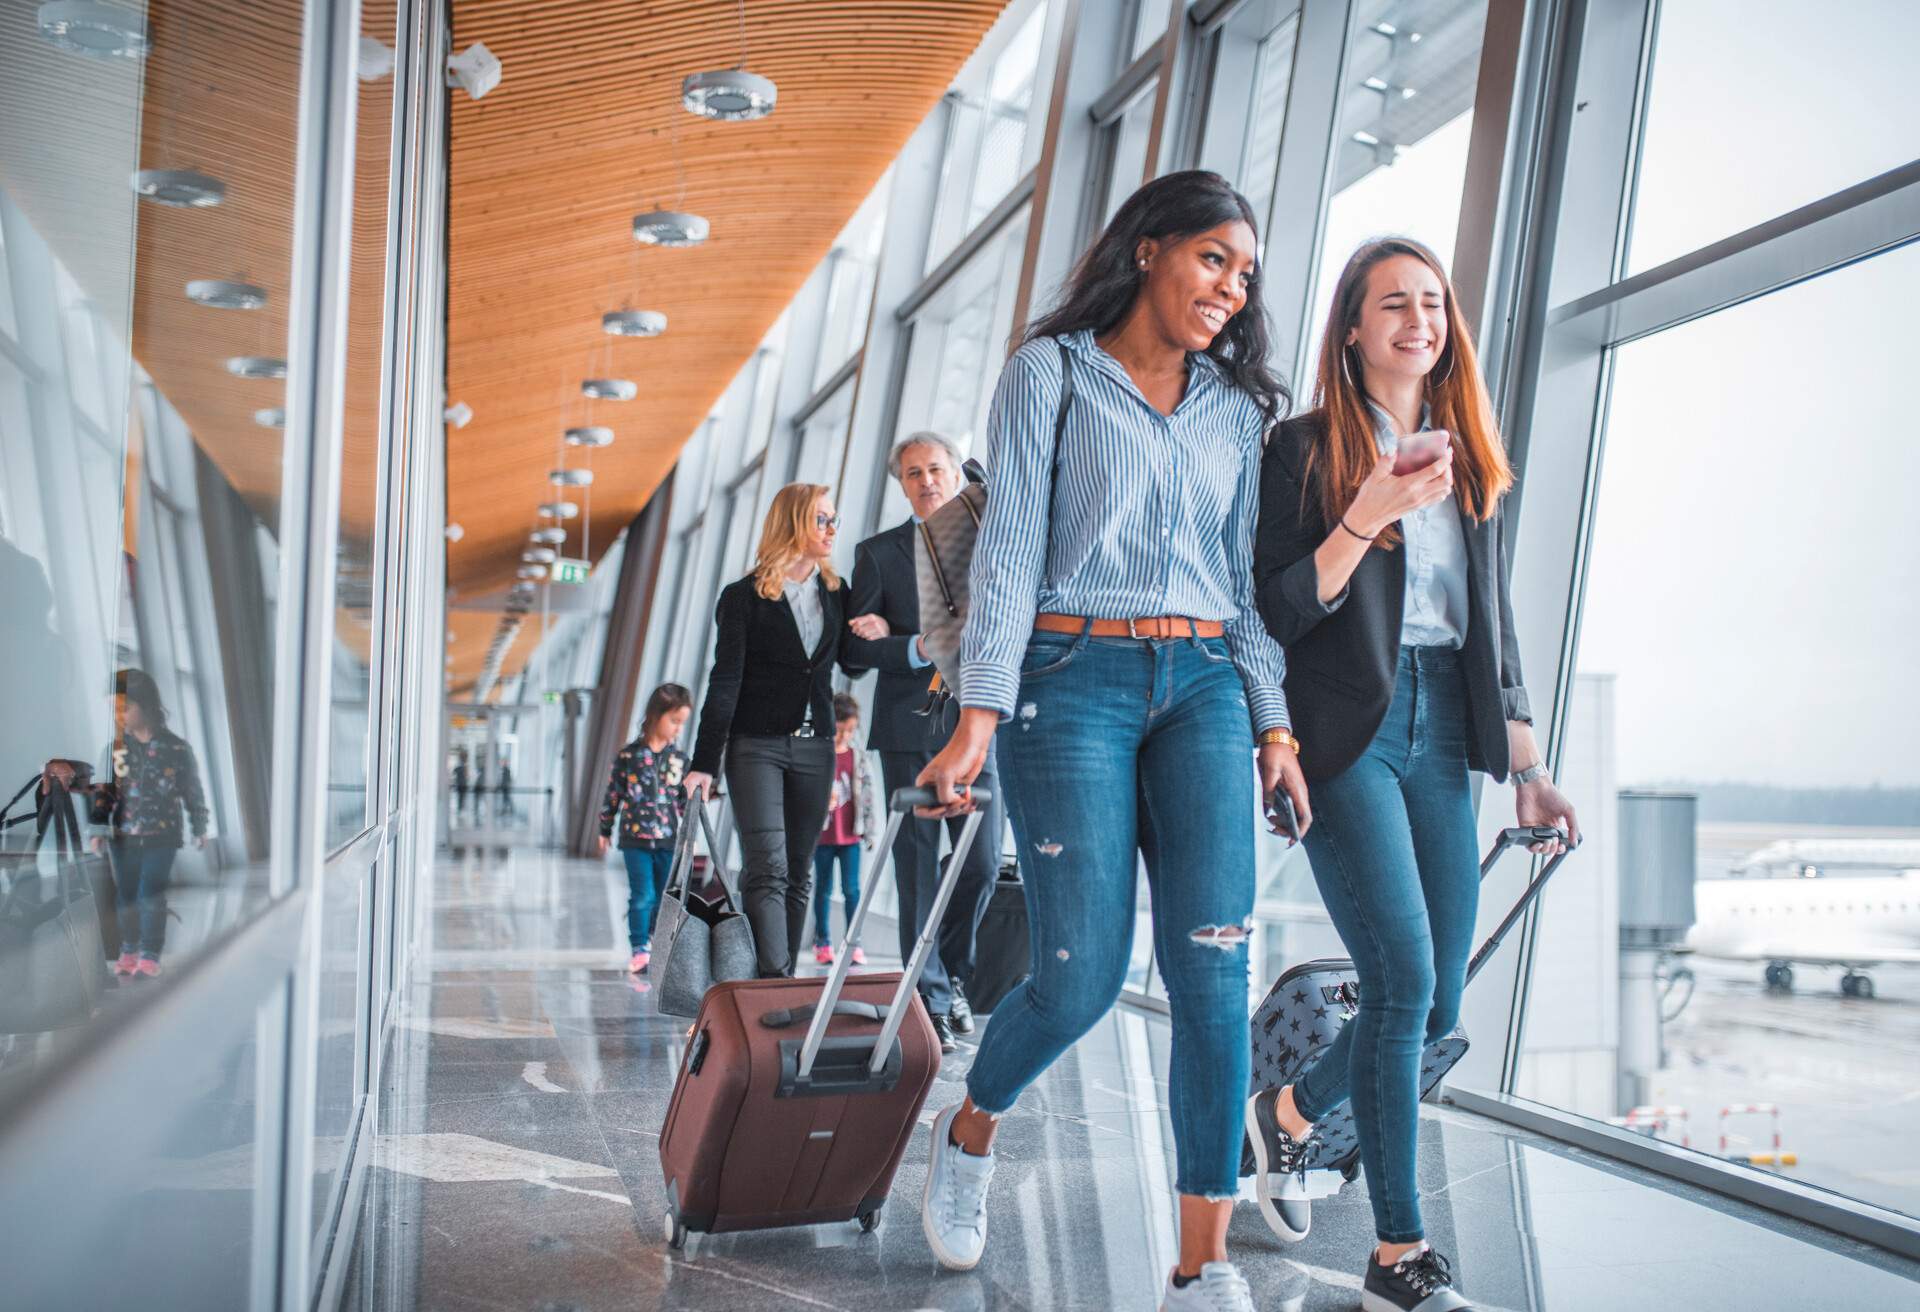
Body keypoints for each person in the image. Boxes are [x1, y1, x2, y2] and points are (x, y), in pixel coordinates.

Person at [913, 171, 1309, 1311]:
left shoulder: (1240, 412)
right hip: (1068, 680)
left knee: (1213, 973)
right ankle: (973, 1127)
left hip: (1203, 689)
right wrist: (977, 716)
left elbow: (1241, 592)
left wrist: (1271, 720)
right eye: (1213, 260)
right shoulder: (1051, 374)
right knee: (1080, 976)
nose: (1231, 289)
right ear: (1149, 249)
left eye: (1245, 274)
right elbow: (1012, 553)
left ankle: (1202, 1264)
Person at [1247, 237, 1580, 1312]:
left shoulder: (1467, 456)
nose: (1418, 321)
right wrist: (1367, 516)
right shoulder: (1300, 451)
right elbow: (1281, 607)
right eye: (1393, 303)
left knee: (1434, 1005)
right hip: (1347, 732)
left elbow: (1495, 625)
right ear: (1352, 326)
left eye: (1432, 303)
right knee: (1401, 981)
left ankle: (1292, 1111)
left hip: (1445, 731)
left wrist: (1526, 764)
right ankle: (1398, 1250)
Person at [843, 431, 1003, 1052]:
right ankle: (928, 997)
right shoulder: (879, 555)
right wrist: (911, 644)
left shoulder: (992, 542)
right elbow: (854, 653)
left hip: (982, 723)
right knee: (914, 866)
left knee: (983, 861)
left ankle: (950, 977)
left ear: (953, 474)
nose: (928, 480)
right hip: (911, 727)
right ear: (902, 484)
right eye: (913, 473)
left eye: (936, 468)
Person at [684, 483, 849, 978]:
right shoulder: (742, 598)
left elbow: (854, 664)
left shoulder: (837, 595)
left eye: (833, 518)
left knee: (800, 870)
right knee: (768, 867)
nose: (831, 529)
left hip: (816, 746)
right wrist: (703, 764)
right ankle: (772, 986)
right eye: (822, 519)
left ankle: (784, 981)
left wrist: (911, 644)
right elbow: (725, 682)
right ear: (793, 523)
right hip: (755, 746)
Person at [87, 669, 208, 979]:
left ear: (148, 706)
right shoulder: (114, 751)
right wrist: (98, 831)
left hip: (161, 836)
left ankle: (150, 952)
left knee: (150, 894)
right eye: (114, 709)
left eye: (125, 708)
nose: (120, 716)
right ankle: (129, 948)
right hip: (122, 838)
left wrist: (200, 826)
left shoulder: (176, 749)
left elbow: (192, 791)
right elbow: (104, 794)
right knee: (126, 895)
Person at [597, 684, 693, 973]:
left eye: (682, 724)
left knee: (663, 896)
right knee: (642, 895)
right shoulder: (629, 756)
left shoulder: (679, 760)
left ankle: (654, 941)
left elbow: (683, 802)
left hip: (667, 839)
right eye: (674, 721)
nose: (677, 729)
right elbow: (613, 794)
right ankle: (639, 947)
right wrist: (605, 829)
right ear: (656, 716)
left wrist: (688, 837)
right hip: (634, 839)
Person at [809, 693, 875, 967]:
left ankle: (854, 942)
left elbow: (869, 796)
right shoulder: (818, 755)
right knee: (822, 889)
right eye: (840, 729)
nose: (845, 735)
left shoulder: (857, 757)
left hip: (850, 837)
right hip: (823, 836)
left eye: (850, 730)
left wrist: (869, 832)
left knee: (852, 889)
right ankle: (822, 941)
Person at [451, 754, 469, 818]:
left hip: (461, 785)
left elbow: (453, 772)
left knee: (461, 798)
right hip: (462, 785)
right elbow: (466, 776)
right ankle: (460, 809)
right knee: (461, 798)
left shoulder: (461, 767)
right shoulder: (463, 767)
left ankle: (460, 809)